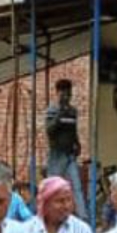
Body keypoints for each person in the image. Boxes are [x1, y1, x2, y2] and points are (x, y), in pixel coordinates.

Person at [45, 78, 85, 217]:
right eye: (64, 94)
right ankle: (48, 214)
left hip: (70, 154)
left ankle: (83, 216)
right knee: (53, 186)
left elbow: (73, 130)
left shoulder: (73, 111)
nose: (67, 97)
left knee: (76, 186)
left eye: (69, 94)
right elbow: (49, 130)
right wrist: (60, 113)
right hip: (56, 155)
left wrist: (77, 143)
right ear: (58, 93)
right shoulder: (52, 110)